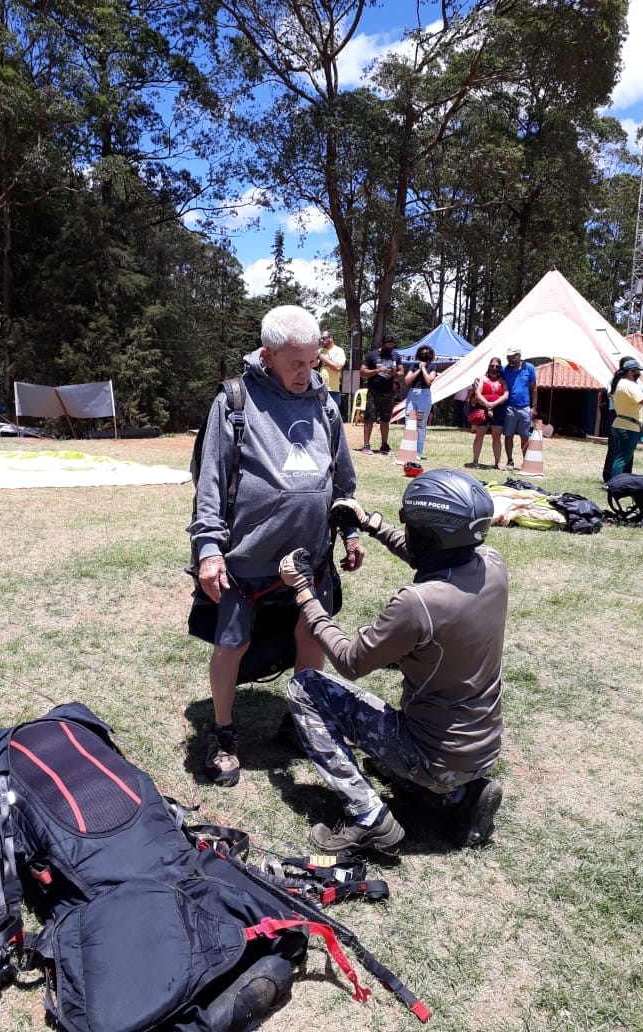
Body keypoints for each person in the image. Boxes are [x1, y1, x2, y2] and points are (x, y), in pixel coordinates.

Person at [278, 469, 507, 855]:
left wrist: (303, 592)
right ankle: (460, 797)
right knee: (411, 754)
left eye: (409, 522)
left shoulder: (417, 604)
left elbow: (350, 662)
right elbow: (429, 558)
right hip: (482, 749)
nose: (406, 528)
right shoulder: (491, 564)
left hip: (432, 756)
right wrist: (370, 523)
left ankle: (368, 817)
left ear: (428, 531)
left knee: (305, 688)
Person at [189, 304, 365, 787]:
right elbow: (210, 483)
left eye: (312, 362)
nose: (306, 374)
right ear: (267, 355)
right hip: (246, 562)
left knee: (312, 639)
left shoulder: (325, 405)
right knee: (232, 644)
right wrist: (208, 550)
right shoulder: (235, 400)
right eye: (295, 363)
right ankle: (223, 733)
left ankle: (300, 721)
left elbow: (342, 479)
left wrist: (349, 531)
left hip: (311, 561)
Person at [359, 333, 403, 455]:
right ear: (382, 344)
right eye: (387, 346)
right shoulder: (372, 355)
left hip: (388, 392)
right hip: (373, 392)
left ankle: (384, 445)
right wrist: (377, 370)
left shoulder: (395, 355)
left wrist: (395, 373)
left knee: (385, 420)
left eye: (391, 346)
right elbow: (362, 372)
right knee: (369, 419)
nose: (390, 348)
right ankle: (366, 445)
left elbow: (401, 372)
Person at [466, 359, 509, 469]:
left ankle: (498, 463)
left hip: (498, 411)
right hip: (482, 410)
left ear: (500, 368)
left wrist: (493, 404)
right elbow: (477, 393)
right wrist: (487, 404)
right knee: (479, 435)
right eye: (492, 366)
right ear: (488, 366)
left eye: (497, 366)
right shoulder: (482, 379)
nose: (494, 368)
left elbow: (505, 395)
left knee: (496, 437)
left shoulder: (503, 381)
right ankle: (475, 461)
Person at [501, 347, 537, 470]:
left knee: (524, 435)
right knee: (508, 435)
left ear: (519, 355)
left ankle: (526, 462)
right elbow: (494, 378)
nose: (510, 359)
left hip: (525, 407)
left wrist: (534, 407)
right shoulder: (505, 369)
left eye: (512, 356)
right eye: (508, 356)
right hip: (509, 407)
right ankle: (510, 461)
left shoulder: (529, 368)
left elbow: (534, 388)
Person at [601, 355, 635, 482]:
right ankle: (612, 477)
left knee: (625, 447)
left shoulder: (633, 381)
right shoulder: (615, 380)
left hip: (625, 415)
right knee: (616, 447)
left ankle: (622, 477)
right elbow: (611, 395)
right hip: (618, 414)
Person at [403, 344, 437, 461]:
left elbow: (428, 381)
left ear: (430, 355)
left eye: (427, 353)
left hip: (424, 395)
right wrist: (418, 369)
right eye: (422, 353)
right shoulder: (413, 365)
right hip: (412, 394)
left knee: (421, 425)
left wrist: (423, 368)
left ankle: (418, 451)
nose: (424, 355)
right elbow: (407, 380)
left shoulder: (432, 367)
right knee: (409, 422)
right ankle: (408, 449)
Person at [314, 330, 346, 407]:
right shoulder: (319, 351)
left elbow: (338, 367)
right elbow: (311, 367)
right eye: (321, 339)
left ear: (331, 338)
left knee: (332, 414)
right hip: (320, 390)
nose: (322, 340)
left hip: (332, 390)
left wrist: (322, 357)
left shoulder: (338, 351)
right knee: (321, 412)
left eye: (324, 338)